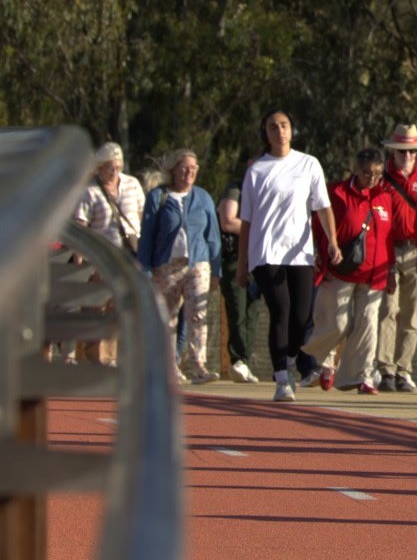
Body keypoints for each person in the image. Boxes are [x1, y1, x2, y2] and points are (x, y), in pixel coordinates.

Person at [240, 110, 338, 403]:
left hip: (300, 252)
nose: (279, 131)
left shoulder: (308, 164)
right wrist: (242, 263)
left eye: (284, 126)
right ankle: (282, 378)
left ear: (292, 130)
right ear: (266, 133)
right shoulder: (256, 170)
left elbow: (322, 207)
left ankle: (292, 355)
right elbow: (246, 220)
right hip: (266, 252)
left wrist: (332, 241)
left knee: (301, 315)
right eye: (273, 127)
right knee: (280, 309)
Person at [139, 148, 222, 383]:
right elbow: (147, 236)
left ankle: (199, 365)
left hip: (198, 264)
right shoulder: (158, 197)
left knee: (198, 315)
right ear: (173, 170)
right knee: (167, 317)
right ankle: (169, 365)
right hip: (165, 266)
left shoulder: (203, 197)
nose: (189, 172)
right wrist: (144, 269)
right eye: (184, 167)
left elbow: (213, 236)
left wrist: (216, 270)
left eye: (194, 168)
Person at [327, 147, 403, 393]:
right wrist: (323, 252)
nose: (372, 178)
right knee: (339, 322)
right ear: (356, 170)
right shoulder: (338, 193)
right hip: (344, 269)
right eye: (367, 173)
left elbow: (388, 237)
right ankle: (325, 363)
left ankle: (362, 377)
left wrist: (391, 269)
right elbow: (323, 227)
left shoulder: (384, 197)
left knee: (369, 323)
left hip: (375, 273)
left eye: (378, 173)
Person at [379, 123, 417, 392]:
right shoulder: (382, 177)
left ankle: (404, 369)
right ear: (393, 152)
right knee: (387, 311)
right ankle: (385, 369)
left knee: (413, 313)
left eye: (413, 151)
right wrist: (388, 261)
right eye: (403, 152)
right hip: (388, 250)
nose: (408, 157)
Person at [213, 175, 261, 383]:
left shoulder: (267, 189)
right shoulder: (236, 188)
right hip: (234, 258)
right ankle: (237, 359)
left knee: (253, 311)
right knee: (237, 309)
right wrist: (260, 230)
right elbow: (228, 222)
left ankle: (245, 362)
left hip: (259, 259)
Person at [78, 141, 145, 254]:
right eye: (110, 168)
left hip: (133, 250)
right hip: (105, 254)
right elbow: (81, 226)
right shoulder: (90, 191)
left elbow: (142, 215)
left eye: (118, 168)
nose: (114, 173)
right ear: (100, 167)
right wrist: (79, 260)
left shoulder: (132, 183)